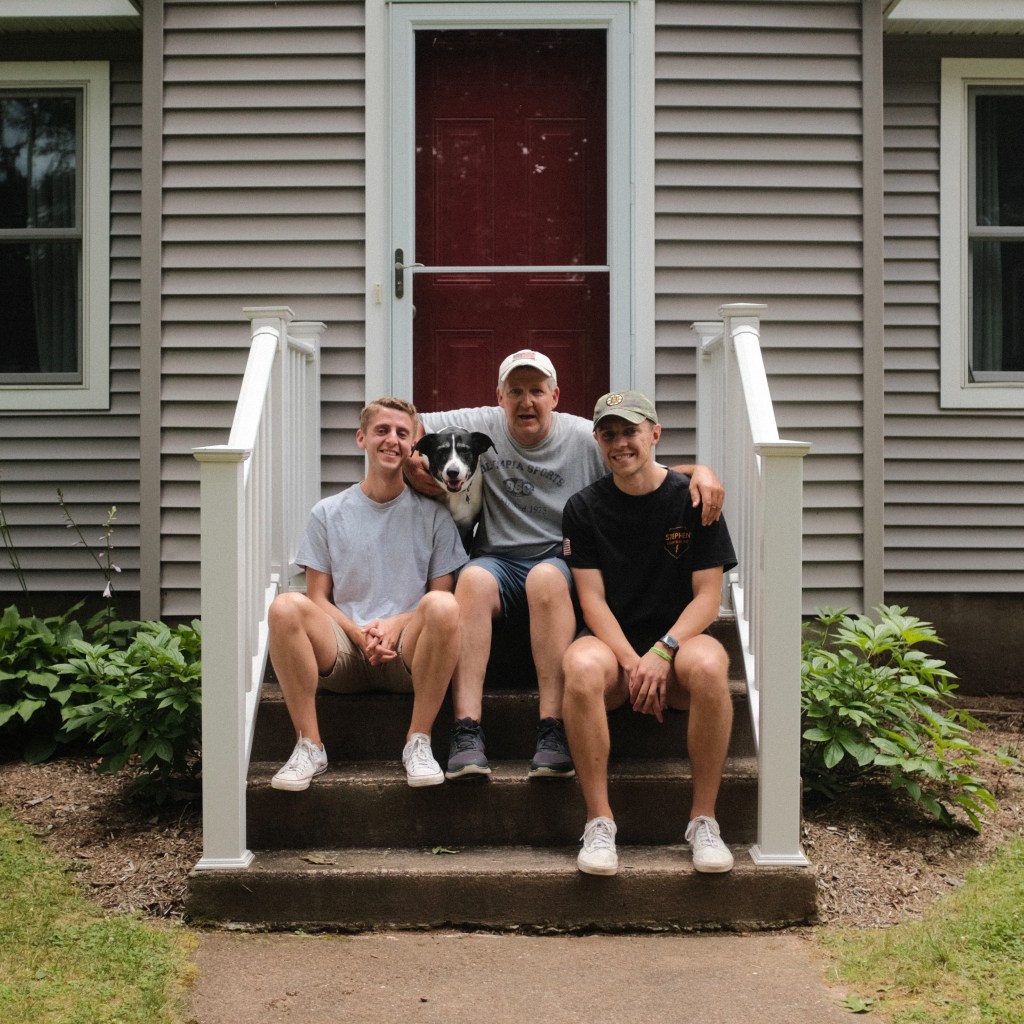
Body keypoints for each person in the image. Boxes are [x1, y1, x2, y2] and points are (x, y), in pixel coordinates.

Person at [407, 351, 725, 782]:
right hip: (497, 561)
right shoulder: (482, 422)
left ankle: (551, 728)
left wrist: (698, 470)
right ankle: (467, 729)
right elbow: (400, 422)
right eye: (515, 391)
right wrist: (410, 460)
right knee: (473, 578)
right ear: (498, 397)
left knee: (545, 577)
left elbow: (639, 465)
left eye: (536, 391)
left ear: (554, 395)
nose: (526, 402)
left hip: (558, 562)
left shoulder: (584, 437)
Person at [561, 390, 738, 875]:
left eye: (630, 432)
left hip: (677, 647)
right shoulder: (583, 508)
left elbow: (708, 596)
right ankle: (599, 823)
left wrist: (663, 651)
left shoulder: (694, 500)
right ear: (598, 441)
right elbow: (591, 600)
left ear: (654, 434)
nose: (620, 443)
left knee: (710, 663)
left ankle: (704, 821)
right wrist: (634, 661)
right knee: (577, 664)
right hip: (619, 657)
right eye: (609, 434)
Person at [267, 397, 468, 791]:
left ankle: (419, 742)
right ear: (362, 438)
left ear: (413, 448)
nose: (392, 440)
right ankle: (309, 745)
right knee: (286, 607)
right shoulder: (327, 513)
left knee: (444, 605)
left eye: (402, 433)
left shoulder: (435, 517)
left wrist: (395, 625)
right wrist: (358, 635)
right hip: (344, 651)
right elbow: (318, 600)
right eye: (382, 431)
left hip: (408, 654)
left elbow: (440, 597)